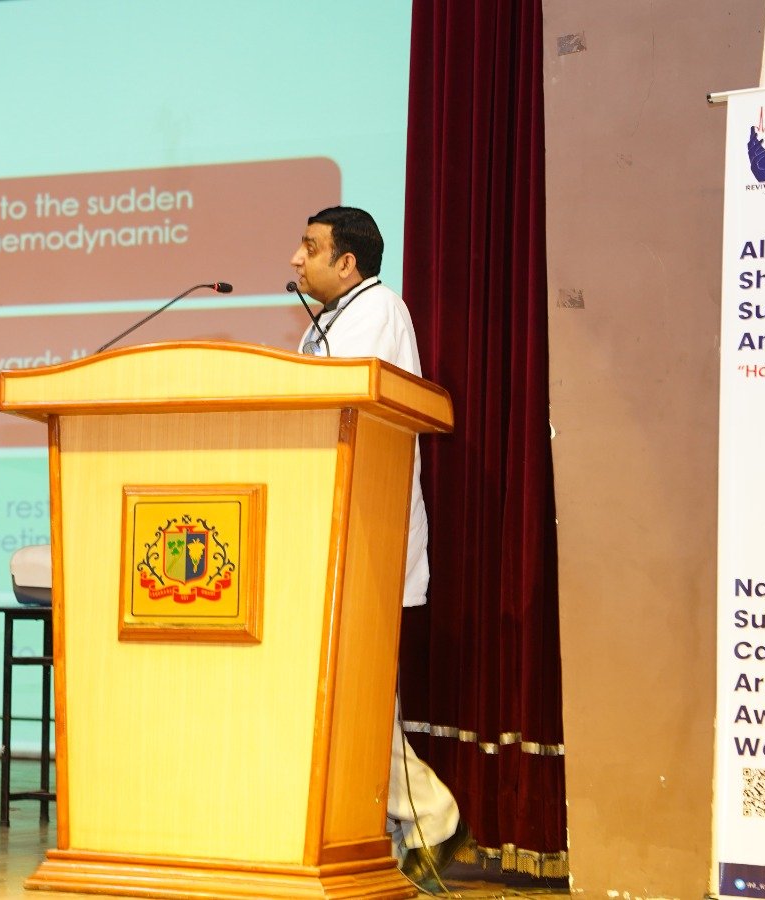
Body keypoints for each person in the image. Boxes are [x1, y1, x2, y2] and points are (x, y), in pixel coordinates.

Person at [288, 206, 472, 891]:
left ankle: (430, 817)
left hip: (366, 521)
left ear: (347, 262)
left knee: (355, 693)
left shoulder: (378, 312)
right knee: (345, 692)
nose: (295, 259)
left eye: (310, 247)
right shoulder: (327, 322)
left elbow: (351, 402)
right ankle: (404, 825)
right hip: (325, 519)